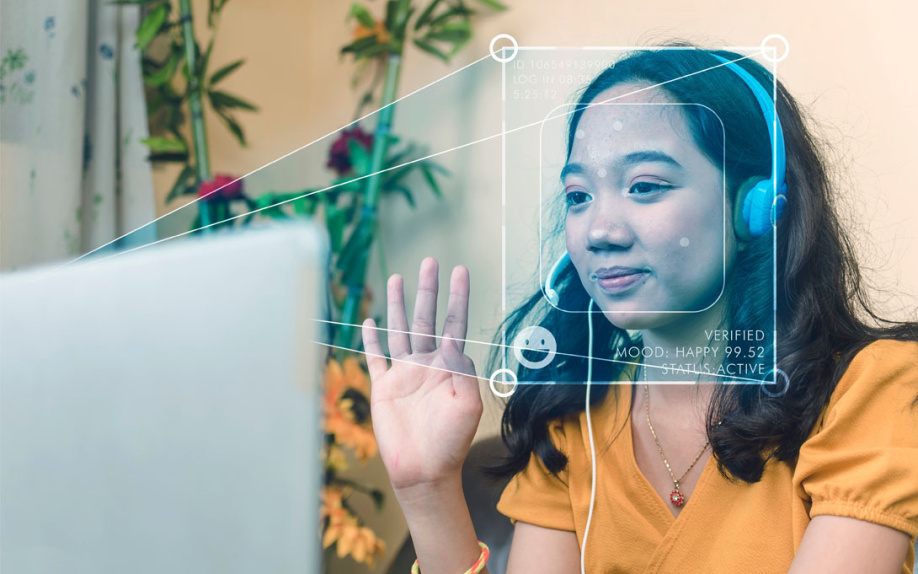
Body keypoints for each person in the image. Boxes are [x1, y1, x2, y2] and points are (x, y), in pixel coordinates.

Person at [361, 45, 918, 574]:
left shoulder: (873, 390)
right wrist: (428, 488)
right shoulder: (572, 419)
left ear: (758, 208)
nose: (599, 231)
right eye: (579, 195)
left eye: (645, 185)